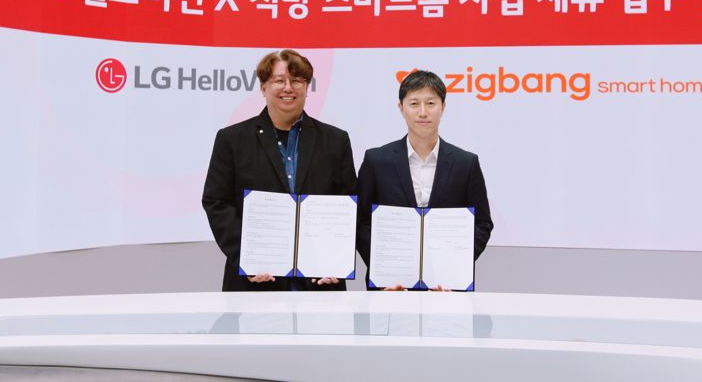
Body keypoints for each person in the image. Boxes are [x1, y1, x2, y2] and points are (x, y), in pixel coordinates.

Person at [202, 49, 357, 291]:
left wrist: (336, 260)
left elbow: (348, 204)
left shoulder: (335, 140)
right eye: (279, 81)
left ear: (307, 87)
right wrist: (246, 257)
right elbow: (217, 202)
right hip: (255, 281)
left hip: (319, 280)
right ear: (263, 87)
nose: (288, 88)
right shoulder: (232, 139)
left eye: (297, 81)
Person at [356, 70, 494, 290]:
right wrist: (382, 267)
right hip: (390, 286)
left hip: (447, 287)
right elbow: (361, 221)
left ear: (443, 107)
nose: (423, 112)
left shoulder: (466, 163)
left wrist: (456, 266)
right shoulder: (376, 160)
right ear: (401, 108)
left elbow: (482, 223)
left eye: (430, 103)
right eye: (414, 104)